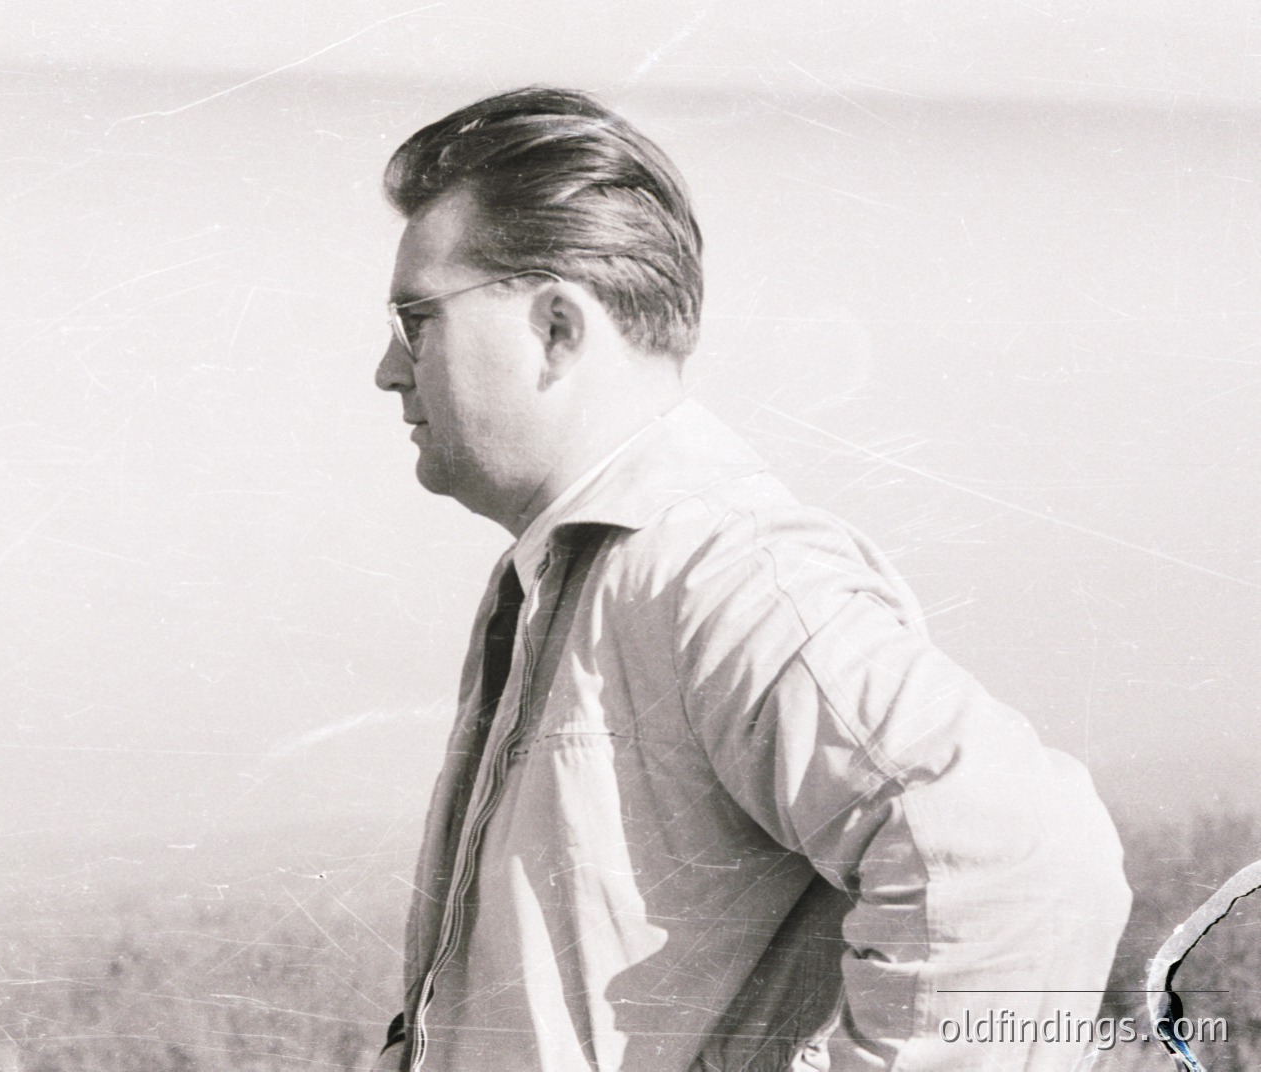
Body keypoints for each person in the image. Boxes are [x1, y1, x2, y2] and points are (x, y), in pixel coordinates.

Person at [370, 87, 1130, 1072]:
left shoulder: (717, 572)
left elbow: (1022, 863)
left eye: (413, 318)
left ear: (556, 328)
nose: (388, 370)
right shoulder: (591, 570)